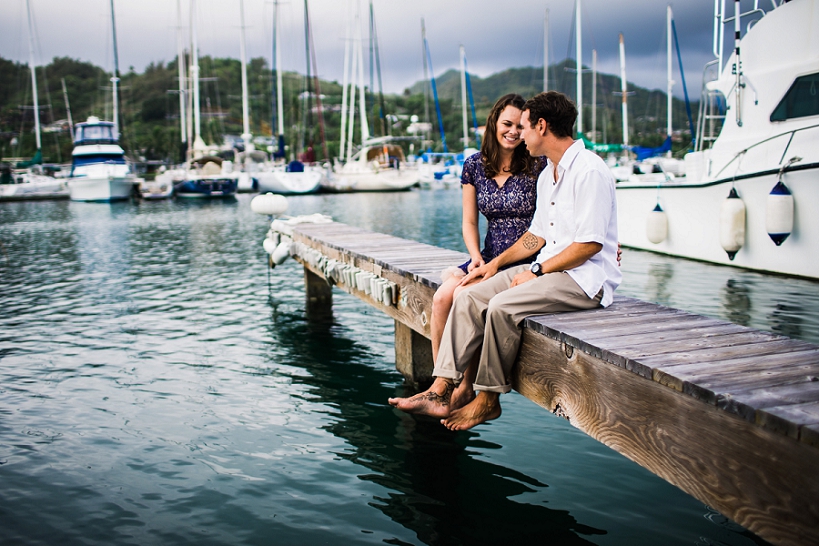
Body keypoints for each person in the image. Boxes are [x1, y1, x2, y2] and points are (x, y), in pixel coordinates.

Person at [389, 91, 621, 431]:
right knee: (467, 296)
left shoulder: (589, 171)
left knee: (501, 306)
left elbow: (588, 245)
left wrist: (537, 270)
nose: (521, 135)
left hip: (584, 280)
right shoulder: (549, 175)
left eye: (525, 127)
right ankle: (440, 389)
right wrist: (495, 264)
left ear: (542, 126)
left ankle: (487, 399)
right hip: (548, 267)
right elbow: (536, 236)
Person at [429, 93, 544, 408]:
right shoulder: (474, 166)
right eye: (507, 123)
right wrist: (476, 256)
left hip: (527, 257)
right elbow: (469, 221)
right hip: (488, 254)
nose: (513, 132)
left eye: (521, 126)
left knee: (470, 298)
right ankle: (439, 385)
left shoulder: (538, 164)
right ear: (494, 122)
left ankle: (465, 386)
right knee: (442, 298)